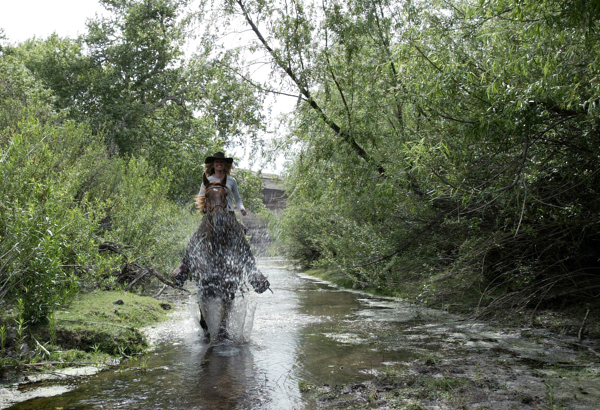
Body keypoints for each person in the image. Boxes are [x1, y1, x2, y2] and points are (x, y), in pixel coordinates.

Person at [196, 152, 247, 217]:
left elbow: (237, 198)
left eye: (221, 162)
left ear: (225, 164)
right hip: (211, 214)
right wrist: (205, 208)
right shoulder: (207, 181)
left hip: (229, 213)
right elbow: (200, 197)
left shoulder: (231, 180)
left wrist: (242, 208)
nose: (219, 164)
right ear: (213, 165)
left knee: (241, 227)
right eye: (217, 162)